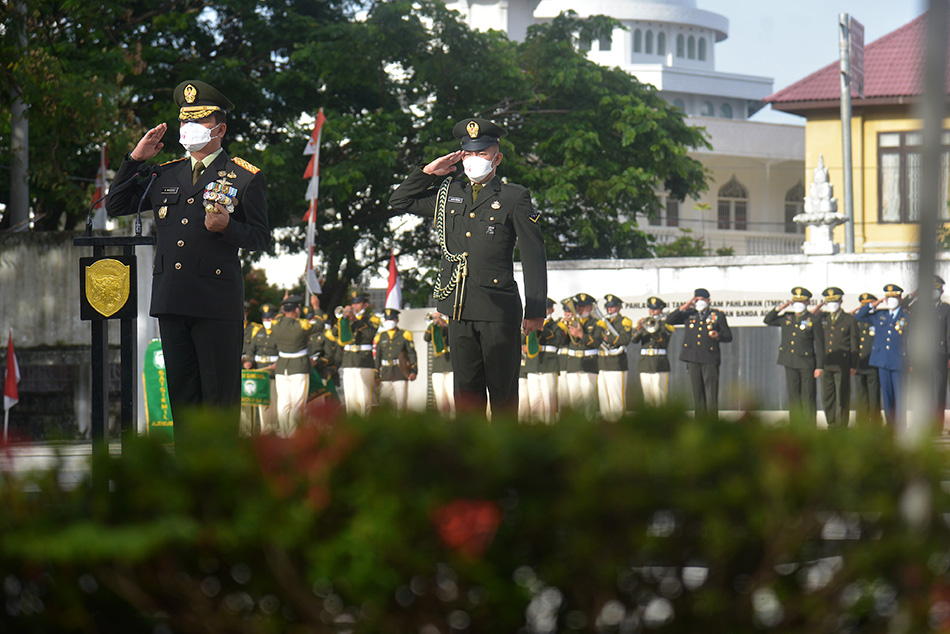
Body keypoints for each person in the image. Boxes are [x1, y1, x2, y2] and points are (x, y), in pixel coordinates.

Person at [106, 80, 270, 429]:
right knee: (183, 403)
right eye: (185, 121)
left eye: (198, 121)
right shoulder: (164, 173)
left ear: (219, 129)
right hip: (172, 300)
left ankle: (222, 465)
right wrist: (135, 159)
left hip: (216, 303)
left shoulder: (243, 177)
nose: (189, 128)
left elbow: (261, 237)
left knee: (218, 402)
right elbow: (116, 205)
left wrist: (229, 227)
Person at [389, 117, 547, 415]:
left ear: (496, 158)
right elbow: (399, 201)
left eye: (482, 153)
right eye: (469, 153)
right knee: (466, 397)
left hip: (498, 310)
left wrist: (536, 310)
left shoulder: (513, 197)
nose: (474, 159)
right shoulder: (448, 193)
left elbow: (533, 255)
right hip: (458, 308)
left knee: (502, 396)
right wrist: (428, 172)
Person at [667, 289, 733, 418]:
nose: (700, 302)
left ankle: (712, 421)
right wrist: (686, 305)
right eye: (697, 300)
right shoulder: (689, 314)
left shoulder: (717, 315)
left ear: (708, 301)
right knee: (697, 393)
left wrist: (718, 336)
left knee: (711, 393)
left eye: (702, 300)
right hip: (693, 358)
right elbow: (670, 320)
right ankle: (700, 421)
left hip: (709, 358)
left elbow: (728, 336)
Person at [763, 287, 825, 423]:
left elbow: (820, 345)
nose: (798, 304)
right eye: (796, 301)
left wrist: (820, 366)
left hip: (806, 362)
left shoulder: (813, 320)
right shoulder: (787, 317)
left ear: (807, 302)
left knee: (808, 396)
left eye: (801, 301)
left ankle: (809, 426)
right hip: (790, 361)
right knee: (793, 397)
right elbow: (768, 320)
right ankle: (796, 425)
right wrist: (780, 308)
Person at [855, 284, 909, 428]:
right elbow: (859, 316)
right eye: (888, 297)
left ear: (900, 299)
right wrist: (874, 304)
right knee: (887, 395)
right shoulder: (880, 315)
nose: (891, 300)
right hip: (882, 360)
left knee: (899, 396)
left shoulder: (906, 317)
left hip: (899, 361)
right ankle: (890, 425)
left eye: (894, 297)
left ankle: (900, 426)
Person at [811, 287, 858, 427]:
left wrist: (853, 364)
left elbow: (854, 343)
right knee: (827, 396)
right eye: (829, 302)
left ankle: (841, 425)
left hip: (842, 364)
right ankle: (831, 423)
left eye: (835, 301)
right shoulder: (822, 318)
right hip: (826, 362)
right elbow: (809, 317)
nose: (832, 304)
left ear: (841, 301)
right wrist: (817, 309)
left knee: (842, 396)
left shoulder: (849, 319)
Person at [271, 295, 312, 435]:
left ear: (283, 310)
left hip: (282, 367)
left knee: (283, 404)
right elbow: (320, 325)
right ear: (297, 310)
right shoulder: (301, 325)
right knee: (297, 404)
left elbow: (278, 317)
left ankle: (284, 434)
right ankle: (294, 434)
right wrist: (317, 307)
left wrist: (283, 304)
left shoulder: (276, 324)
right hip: (298, 367)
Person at [558, 293, 604, 419]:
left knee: (589, 398)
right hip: (573, 364)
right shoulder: (571, 322)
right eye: (578, 306)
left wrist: (580, 335)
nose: (580, 309)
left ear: (590, 308)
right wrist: (565, 328)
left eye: (584, 306)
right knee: (574, 399)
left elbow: (596, 342)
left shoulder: (597, 323)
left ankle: (590, 424)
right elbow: (561, 342)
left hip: (589, 364)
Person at [336, 290, 380, 416]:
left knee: (364, 399)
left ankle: (365, 424)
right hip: (349, 361)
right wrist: (342, 320)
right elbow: (335, 335)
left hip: (364, 361)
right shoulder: (346, 319)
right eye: (353, 303)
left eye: (358, 303)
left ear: (365, 305)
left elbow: (370, 334)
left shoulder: (372, 319)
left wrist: (355, 320)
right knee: (350, 399)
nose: (354, 306)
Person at [525, 298, 563, 423]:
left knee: (549, 401)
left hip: (548, 365)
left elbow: (559, 340)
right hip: (533, 364)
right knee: (534, 401)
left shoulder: (556, 325)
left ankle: (550, 426)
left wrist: (542, 328)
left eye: (545, 309)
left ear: (552, 310)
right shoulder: (530, 324)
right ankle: (537, 427)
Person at [632, 296, 675, 406]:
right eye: (650, 309)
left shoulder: (666, 324)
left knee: (659, 396)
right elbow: (634, 340)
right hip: (645, 363)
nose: (652, 312)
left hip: (659, 363)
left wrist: (654, 329)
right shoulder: (645, 322)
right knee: (647, 397)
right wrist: (639, 329)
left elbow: (663, 342)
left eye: (655, 309)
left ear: (661, 310)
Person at [374, 309, 418, 413]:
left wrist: (413, 370)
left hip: (400, 373)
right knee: (386, 404)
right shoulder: (380, 337)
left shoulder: (404, 334)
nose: (389, 322)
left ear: (397, 320)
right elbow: (378, 357)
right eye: (387, 320)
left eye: (392, 319)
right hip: (386, 374)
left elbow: (411, 353)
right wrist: (376, 374)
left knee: (401, 405)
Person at [597, 294, 633, 421]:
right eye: (607, 307)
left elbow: (625, 339)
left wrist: (609, 338)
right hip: (602, 363)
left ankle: (619, 426)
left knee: (616, 399)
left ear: (619, 307)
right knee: (604, 400)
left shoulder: (624, 321)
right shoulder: (602, 322)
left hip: (616, 364)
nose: (609, 309)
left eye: (612, 307)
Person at [245, 303, 279, 433]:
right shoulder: (259, 332)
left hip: (273, 372)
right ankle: (265, 429)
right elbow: (251, 349)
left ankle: (274, 428)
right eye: (265, 319)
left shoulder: (279, 332)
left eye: (270, 319)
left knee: (274, 402)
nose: (267, 321)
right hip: (260, 372)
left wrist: (278, 364)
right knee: (262, 403)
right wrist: (249, 361)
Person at [852, 293, 882, 425]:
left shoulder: (878, 318)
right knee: (861, 395)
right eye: (864, 305)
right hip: (860, 362)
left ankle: (875, 422)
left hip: (873, 362)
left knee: (874, 396)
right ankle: (862, 423)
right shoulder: (856, 320)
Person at [424, 311, 455, 417]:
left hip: (450, 364)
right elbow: (426, 338)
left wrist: (444, 324)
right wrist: (432, 324)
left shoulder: (449, 325)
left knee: (452, 395)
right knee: (440, 397)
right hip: (438, 365)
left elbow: (452, 336)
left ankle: (454, 417)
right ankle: (443, 419)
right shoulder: (434, 327)